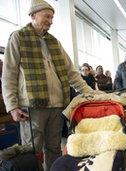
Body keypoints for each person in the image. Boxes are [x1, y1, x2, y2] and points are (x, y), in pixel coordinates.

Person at [1, 0, 93, 169]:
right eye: (47, 16)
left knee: (54, 148)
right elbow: (9, 74)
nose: (50, 21)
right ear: (33, 15)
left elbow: (71, 73)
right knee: (32, 150)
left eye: (52, 17)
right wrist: (12, 106)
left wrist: (90, 93)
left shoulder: (54, 42)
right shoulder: (18, 37)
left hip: (57, 105)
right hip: (31, 107)